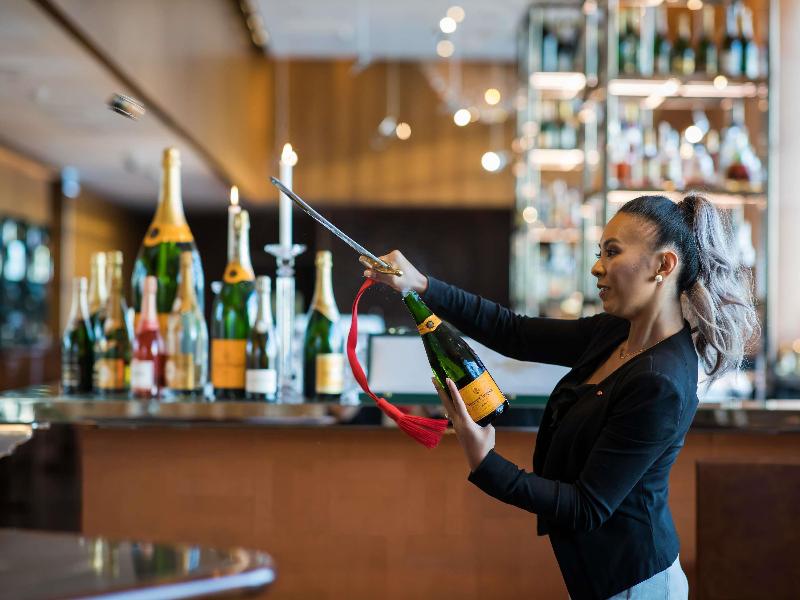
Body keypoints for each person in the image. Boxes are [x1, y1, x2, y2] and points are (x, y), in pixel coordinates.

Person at [364, 194, 759, 600]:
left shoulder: (661, 382)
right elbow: (514, 332)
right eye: (600, 253)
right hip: (600, 579)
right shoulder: (616, 333)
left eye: (612, 252)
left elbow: (586, 507)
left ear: (663, 265)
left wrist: (485, 462)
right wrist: (421, 285)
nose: (597, 267)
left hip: (634, 586)